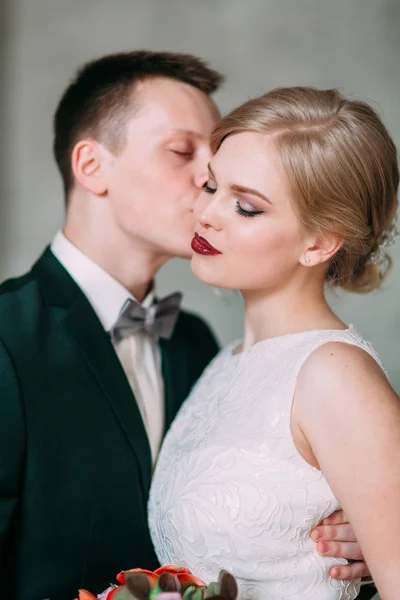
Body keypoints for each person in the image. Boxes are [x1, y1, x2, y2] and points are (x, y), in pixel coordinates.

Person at [0, 52, 369, 600]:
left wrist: (350, 532)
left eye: (214, 158)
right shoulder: (7, 336)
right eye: (182, 151)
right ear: (91, 165)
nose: (209, 178)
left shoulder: (198, 344)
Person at [148, 86, 400, 599]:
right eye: (212, 186)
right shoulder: (223, 360)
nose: (207, 214)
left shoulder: (333, 374)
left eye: (245, 207)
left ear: (319, 243)